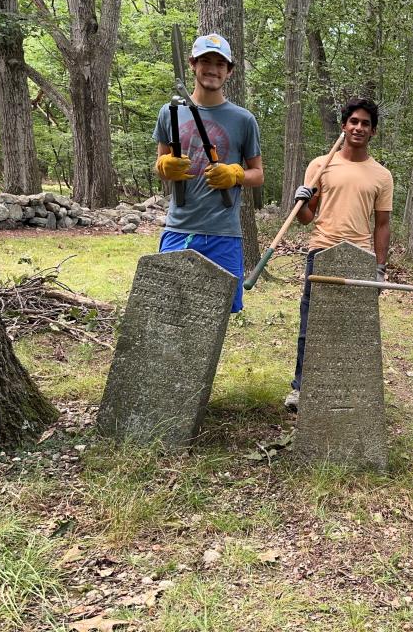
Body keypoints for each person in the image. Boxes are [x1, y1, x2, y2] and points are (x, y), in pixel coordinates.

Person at [284, 98, 394, 412]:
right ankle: (300, 389)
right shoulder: (321, 165)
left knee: (354, 329)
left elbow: (383, 224)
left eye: (365, 124)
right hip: (321, 250)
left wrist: (380, 266)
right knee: (311, 325)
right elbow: (305, 218)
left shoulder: (381, 175)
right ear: (344, 126)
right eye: (354, 122)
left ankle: (349, 390)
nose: (359, 128)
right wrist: (302, 199)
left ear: (373, 131)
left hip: (359, 256)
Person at [153, 33, 264, 313]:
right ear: (192, 64)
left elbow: (258, 174)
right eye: (205, 61)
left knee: (217, 314)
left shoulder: (243, 119)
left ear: (229, 71)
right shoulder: (170, 112)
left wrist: (236, 174)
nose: (212, 69)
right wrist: (164, 166)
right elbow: (160, 167)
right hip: (179, 228)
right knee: (170, 310)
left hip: (223, 234)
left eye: (219, 63)